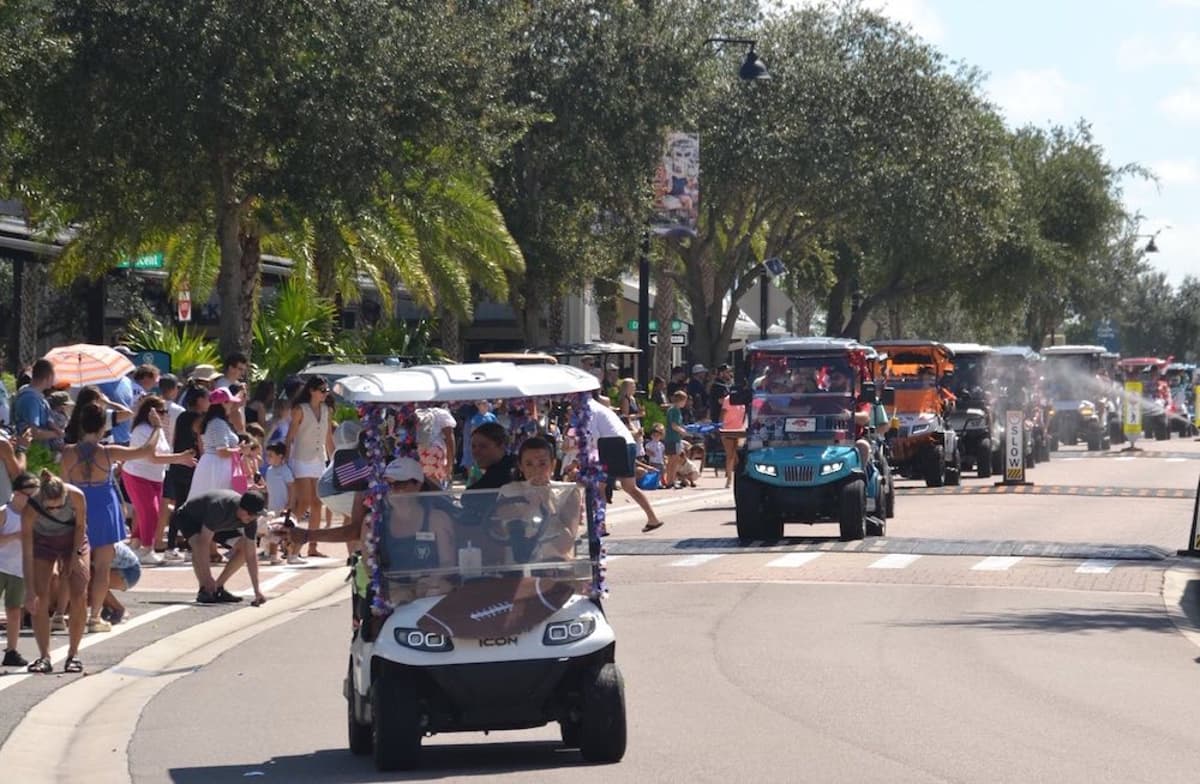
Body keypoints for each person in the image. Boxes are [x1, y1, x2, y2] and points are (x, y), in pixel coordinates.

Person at [61, 403, 162, 633]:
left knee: (71, 565)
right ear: (102, 426)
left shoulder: (67, 452)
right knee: (103, 568)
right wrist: (156, 428)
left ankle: (60, 613)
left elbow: (64, 486)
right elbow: (146, 451)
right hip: (104, 510)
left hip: (77, 509)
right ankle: (94, 617)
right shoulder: (108, 452)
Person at [20, 472, 89, 673]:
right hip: (43, 542)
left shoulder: (76, 495)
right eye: (50, 508)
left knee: (79, 594)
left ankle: (73, 654)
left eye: (59, 506)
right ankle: (44, 656)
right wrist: (29, 589)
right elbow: (27, 551)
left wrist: (76, 556)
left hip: (73, 540)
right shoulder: (31, 507)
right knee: (39, 597)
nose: (56, 511)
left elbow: (80, 526)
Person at [121, 396, 197, 565]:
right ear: (150, 412)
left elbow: (161, 454)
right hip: (137, 475)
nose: (164, 415)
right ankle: (147, 549)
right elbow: (152, 457)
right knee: (151, 512)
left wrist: (180, 459)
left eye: (165, 412)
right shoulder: (141, 430)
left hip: (155, 477)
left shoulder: (158, 429)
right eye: (161, 411)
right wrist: (179, 457)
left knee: (146, 513)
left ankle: (136, 545)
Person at [172, 489, 267, 605]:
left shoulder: (251, 519)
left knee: (244, 548)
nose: (252, 519)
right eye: (251, 515)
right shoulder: (219, 507)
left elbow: (251, 554)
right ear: (242, 509)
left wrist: (257, 590)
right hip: (189, 518)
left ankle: (218, 588)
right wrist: (207, 578)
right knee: (197, 543)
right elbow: (204, 543)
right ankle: (205, 589)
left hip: (218, 525)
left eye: (256, 516)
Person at [588, 397, 663, 533]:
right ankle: (653, 518)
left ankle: (601, 525)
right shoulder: (603, 410)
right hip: (627, 443)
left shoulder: (590, 410)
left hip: (613, 444)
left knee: (601, 487)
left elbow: (593, 436)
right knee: (629, 486)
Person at [286, 376, 334, 556]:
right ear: (311, 391)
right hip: (301, 458)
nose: (325, 394)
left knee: (317, 503)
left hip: (318, 459)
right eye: (322, 390)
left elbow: (328, 437)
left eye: (326, 390)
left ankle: (313, 546)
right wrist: (286, 459)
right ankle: (290, 539)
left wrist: (334, 459)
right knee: (304, 501)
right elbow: (290, 436)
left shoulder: (327, 410)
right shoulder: (300, 409)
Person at [0, 435, 31, 667]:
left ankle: (12, 650)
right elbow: (18, 472)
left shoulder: (30, 514)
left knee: (14, 609)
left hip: (18, 567)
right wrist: (21, 449)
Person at [188, 387, 241, 500]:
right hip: (217, 467)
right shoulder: (218, 423)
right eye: (229, 402)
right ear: (224, 403)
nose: (232, 405)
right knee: (216, 502)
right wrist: (241, 450)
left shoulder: (215, 422)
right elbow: (222, 452)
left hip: (215, 465)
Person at [12, 359, 61, 446]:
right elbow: (33, 432)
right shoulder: (31, 399)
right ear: (49, 377)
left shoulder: (36, 395)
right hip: (33, 453)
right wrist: (56, 434)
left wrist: (54, 426)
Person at [263, 443, 295, 565]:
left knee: (287, 532)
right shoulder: (269, 471)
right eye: (267, 455)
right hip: (272, 507)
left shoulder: (285, 470)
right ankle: (273, 556)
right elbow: (269, 488)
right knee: (273, 533)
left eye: (271, 455)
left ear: (280, 456)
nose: (268, 458)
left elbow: (291, 487)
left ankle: (291, 555)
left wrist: (290, 503)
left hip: (283, 507)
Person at [415, 403, 456, 489]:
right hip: (435, 450)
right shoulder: (442, 413)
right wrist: (450, 463)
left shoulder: (419, 412)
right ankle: (444, 500)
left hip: (420, 449)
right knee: (435, 483)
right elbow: (450, 439)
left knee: (427, 481)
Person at [465, 421, 516, 491]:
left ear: (502, 446)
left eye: (483, 446)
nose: (476, 452)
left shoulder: (502, 472)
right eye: (473, 446)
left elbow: (468, 499)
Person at [100, 540, 142, 625]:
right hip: (119, 567)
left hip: (129, 571)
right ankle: (109, 606)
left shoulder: (99, 539)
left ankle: (119, 609)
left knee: (90, 580)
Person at [461, 400, 497, 477]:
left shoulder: (492, 416)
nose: (485, 405)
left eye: (486, 403)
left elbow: (497, 429)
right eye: (482, 403)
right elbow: (472, 432)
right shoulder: (474, 418)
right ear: (478, 406)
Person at [664, 390, 688, 490]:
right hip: (673, 438)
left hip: (672, 438)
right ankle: (671, 481)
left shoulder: (672, 409)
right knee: (673, 461)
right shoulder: (675, 410)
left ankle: (670, 480)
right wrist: (683, 432)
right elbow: (674, 425)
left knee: (672, 460)